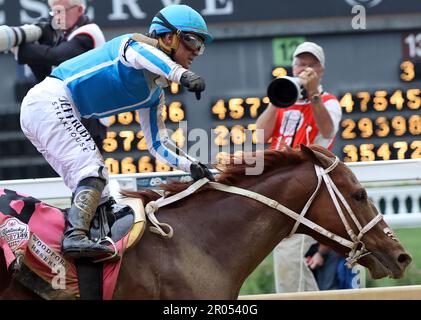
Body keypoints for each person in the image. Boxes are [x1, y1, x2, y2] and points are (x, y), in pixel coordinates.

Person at [20, 4, 215, 259]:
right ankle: (74, 237)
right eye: (193, 42)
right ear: (169, 38)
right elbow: (144, 55)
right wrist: (182, 75)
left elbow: (158, 145)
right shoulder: (132, 46)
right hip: (50, 100)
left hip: (45, 111)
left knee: (102, 194)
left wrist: (192, 166)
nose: (196, 53)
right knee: (93, 170)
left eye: (200, 46)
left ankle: (87, 248)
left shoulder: (154, 95)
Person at [256, 41, 342, 292]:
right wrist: (277, 98)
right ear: (292, 66)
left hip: (308, 184)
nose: (304, 68)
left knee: (288, 251)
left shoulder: (328, 101)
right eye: (300, 63)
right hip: (280, 185)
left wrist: (313, 93)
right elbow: (260, 136)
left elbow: (327, 130)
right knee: (289, 256)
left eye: (310, 64)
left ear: (321, 70)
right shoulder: (284, 98)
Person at [12, 0, 108, 150]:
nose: (56, 17)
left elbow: (55, 56)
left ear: (79, 10)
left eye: (61, 11)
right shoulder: (64, 36)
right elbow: (47, 79)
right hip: (72, 114)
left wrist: (20, 50)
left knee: (87, 169)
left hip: (91, 119)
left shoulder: (89, 33)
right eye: (54, 12)